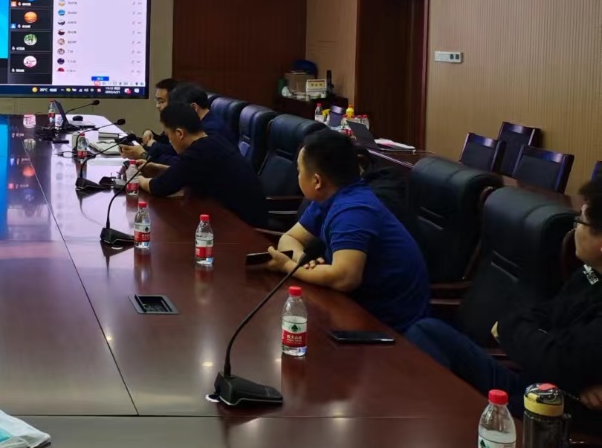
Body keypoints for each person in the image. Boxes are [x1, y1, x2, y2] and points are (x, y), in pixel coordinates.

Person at [406, 179, 602, 425]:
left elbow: (556, 358)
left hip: (553, 412)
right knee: (426, 330)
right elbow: (526, 320)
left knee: (456, 406)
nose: (575, 230)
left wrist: (532, 342)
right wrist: (572, 374)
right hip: (532, 384)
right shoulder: (588, 275)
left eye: (580, 221)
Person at [266, 131, 429, 332]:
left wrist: (289, 266)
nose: (298, 176)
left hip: (390, 328)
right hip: (354, 308)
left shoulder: (354, 210)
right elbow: (290, 238)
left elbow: (345, 278)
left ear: (317, 181)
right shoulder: (329, 197)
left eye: (299, 171)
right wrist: (302, 260)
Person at [139, 102, 269, 227]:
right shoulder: (213, 141)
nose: (169, 141)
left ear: (179, 133)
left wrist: (136, 178)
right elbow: (185, 172)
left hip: (245, 226)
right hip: (235, 215)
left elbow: (158, 187)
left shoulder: (198, 153)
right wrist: (157, 167)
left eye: (168, 135)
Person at [120, 78, 180, 163]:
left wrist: (150, 148)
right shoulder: (171, 120)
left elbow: (174, 155)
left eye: (161, 102)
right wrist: (148, 137)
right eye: (157, 101)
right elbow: (165, 142)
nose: (157, 106)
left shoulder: (182, 123)